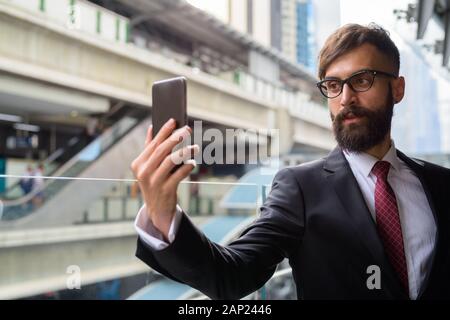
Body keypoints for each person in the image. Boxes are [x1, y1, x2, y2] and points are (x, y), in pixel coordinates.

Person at [130, 23, 450, 300]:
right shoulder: (301, 187)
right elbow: (233, 274)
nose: (345, 99)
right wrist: (162, 214)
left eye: (362, 80)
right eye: (333, 85)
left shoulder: (441, 185)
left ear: (397, 88)